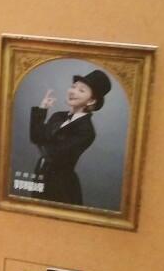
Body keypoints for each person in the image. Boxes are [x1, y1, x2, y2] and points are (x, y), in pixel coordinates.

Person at [28, 68, 112, 206]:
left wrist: (44, 138)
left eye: (81, 90)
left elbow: (53, 154)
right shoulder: (58, 116)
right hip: (40, 178)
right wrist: (42, 109)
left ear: (91, 101)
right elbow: (35, 138)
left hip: (61, 186)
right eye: (73, 87)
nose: (72, 91)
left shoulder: (86, 131)